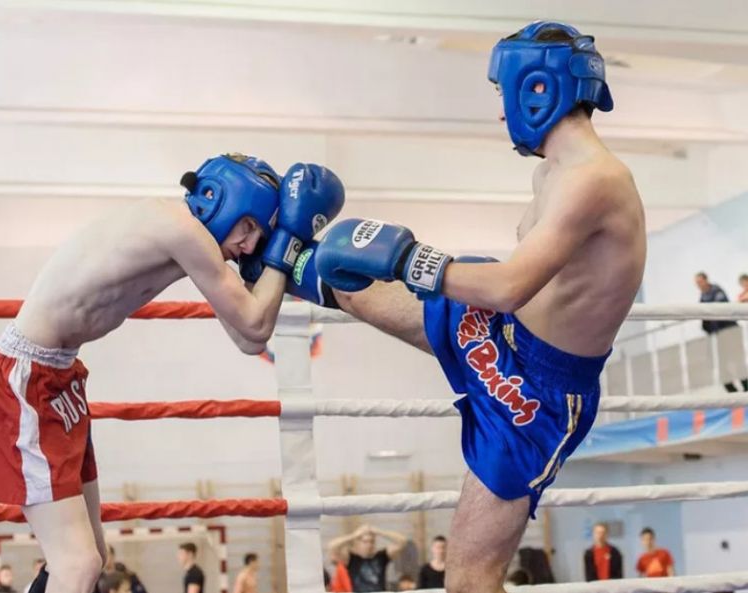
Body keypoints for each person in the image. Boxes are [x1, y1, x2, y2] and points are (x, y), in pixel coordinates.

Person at [286, 20, 646, 593]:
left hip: (536, 397)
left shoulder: (594, 180)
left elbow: (509, 287)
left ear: (537, 89)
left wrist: (408, 258)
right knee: (347, 280)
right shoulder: (550, 173)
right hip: (505, 336)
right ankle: (272, 254)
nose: (502, 114)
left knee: (468, 581)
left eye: (503, 95)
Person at [0, 152, 345, 593]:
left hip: (57, 378)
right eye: (250, 228)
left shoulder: (190, 239)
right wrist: (289, 242)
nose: (249, 245)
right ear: (222, 199)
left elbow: (248, 340)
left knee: (89, 559)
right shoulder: (179, 229)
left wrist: (266, 257)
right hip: (22, 379)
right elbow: (256, 326)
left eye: (258, 237)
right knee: (77, 564)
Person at [695, 272, 747, 392]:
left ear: (706, 280)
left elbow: (720, 310)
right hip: (719, 334)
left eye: (700, 282)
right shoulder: (702, 297)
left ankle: (746, 388)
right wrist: (708, 326)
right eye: (697, 283)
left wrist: (709, 322)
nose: (699, 285)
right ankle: (732, 393)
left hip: (730, 331)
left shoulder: (716, 290)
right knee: (722, 364)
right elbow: (704, 319)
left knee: (737, 361)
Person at [328, 524, 408, 592]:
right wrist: (354, 535)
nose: (369, 545)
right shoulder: (351, 559)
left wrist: (379, 531)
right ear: (357, 543)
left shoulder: (382, 556)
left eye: (372, 541)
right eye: (365, 542)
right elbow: (332, 546)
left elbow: (402, 541)